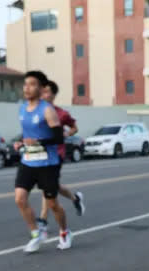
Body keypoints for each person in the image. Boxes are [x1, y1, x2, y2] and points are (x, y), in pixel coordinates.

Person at [14, 71, 70, 253]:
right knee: (20, 199)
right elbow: (27, 134)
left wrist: (39, 142)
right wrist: (20, 142)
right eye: (25, 84)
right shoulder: (23, 108)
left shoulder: (47, 109)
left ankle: (64, 232)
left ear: (40, 88)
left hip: (48, 163)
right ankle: (35, 235)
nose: (27, 88)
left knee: (52, 204)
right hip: (29, 160)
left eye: (32, 84)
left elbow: (58, 137)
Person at [37, 80, 85, 239]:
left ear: (53, 95)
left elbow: (74, 128)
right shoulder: (36, 113)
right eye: (42, 92)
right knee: (53, 186)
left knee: (47, 185)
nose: (44, 95)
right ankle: (75, 198)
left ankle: (42, 220)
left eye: (47, 92)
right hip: (40, 154)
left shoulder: (61, 113)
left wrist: (66, 134)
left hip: (57, 153)